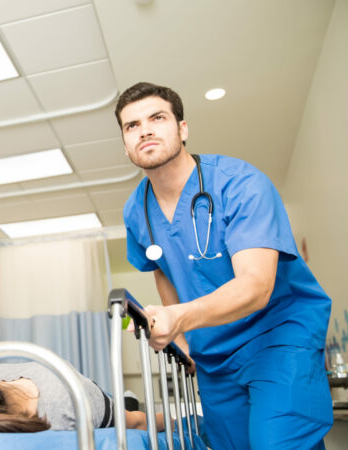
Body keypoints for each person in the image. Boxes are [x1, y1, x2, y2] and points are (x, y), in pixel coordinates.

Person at [116, 82, 332, 449]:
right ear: (125, 143)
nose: (145, 130)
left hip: (277, 336)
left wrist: (180, 317)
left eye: (157, 118)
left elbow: (256, 286)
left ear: (182, 129)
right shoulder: (136, 210)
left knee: (275, 441)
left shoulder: (240, 184)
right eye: (131, 125)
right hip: (213, 352)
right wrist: (182, 343)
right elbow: (164, 271)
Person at [0, 363, 161, 432]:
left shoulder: (66, 405)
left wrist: (174, 423)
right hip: (59, 386)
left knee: (129, 411)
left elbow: (138, 422)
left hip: (87, 394)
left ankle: (128, 397)